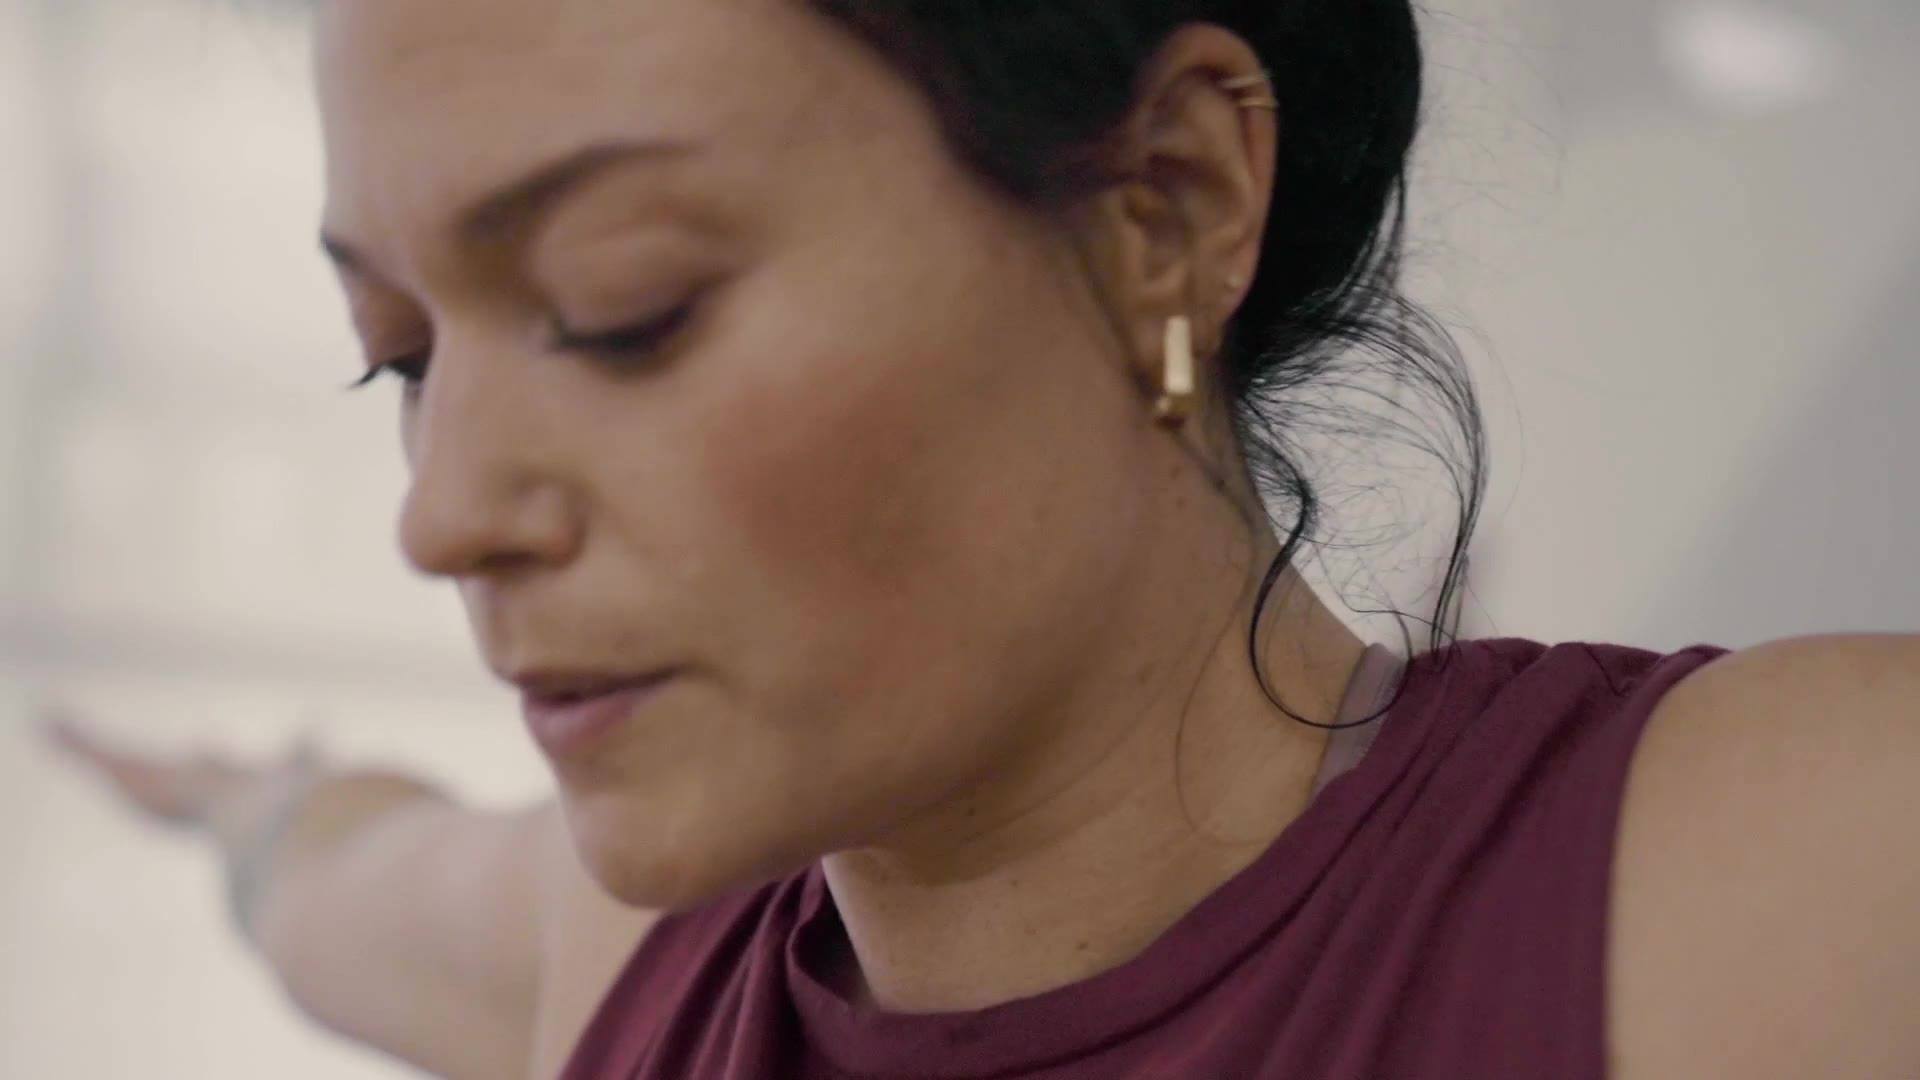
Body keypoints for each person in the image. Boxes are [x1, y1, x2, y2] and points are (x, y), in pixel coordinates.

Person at [42, 1, 1920, 1077]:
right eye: (400, 358)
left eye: (626, 309)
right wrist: (228, 804)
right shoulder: (608, 953)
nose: (444, 514)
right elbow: (330, 871)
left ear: (1166, 206)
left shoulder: (1808, 877)